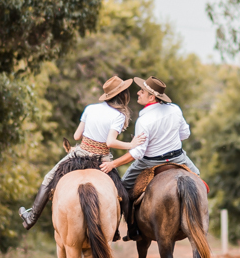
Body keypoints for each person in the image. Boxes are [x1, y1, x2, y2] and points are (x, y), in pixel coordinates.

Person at [19, 76, 145, 230]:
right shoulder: (118, 116)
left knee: (49, 177)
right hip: (102, 158)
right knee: (123, 195)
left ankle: (31, 218)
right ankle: (125, 230)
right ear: (122, 95)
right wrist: (131, 144)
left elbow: (76, 136)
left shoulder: (90, 108)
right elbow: (110, 142)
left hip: (79, 154)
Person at [100, 76, 200, 236]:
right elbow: (185, 134)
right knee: (199, 182)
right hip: (179, 158)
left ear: (151, 97)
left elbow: (137, 153)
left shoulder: (144, 120)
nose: (138, 93)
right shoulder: (175, 109)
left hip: (149, 162)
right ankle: (199, 221)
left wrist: (113, 164)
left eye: (142, 91)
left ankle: (130, 230)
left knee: (123, 190)